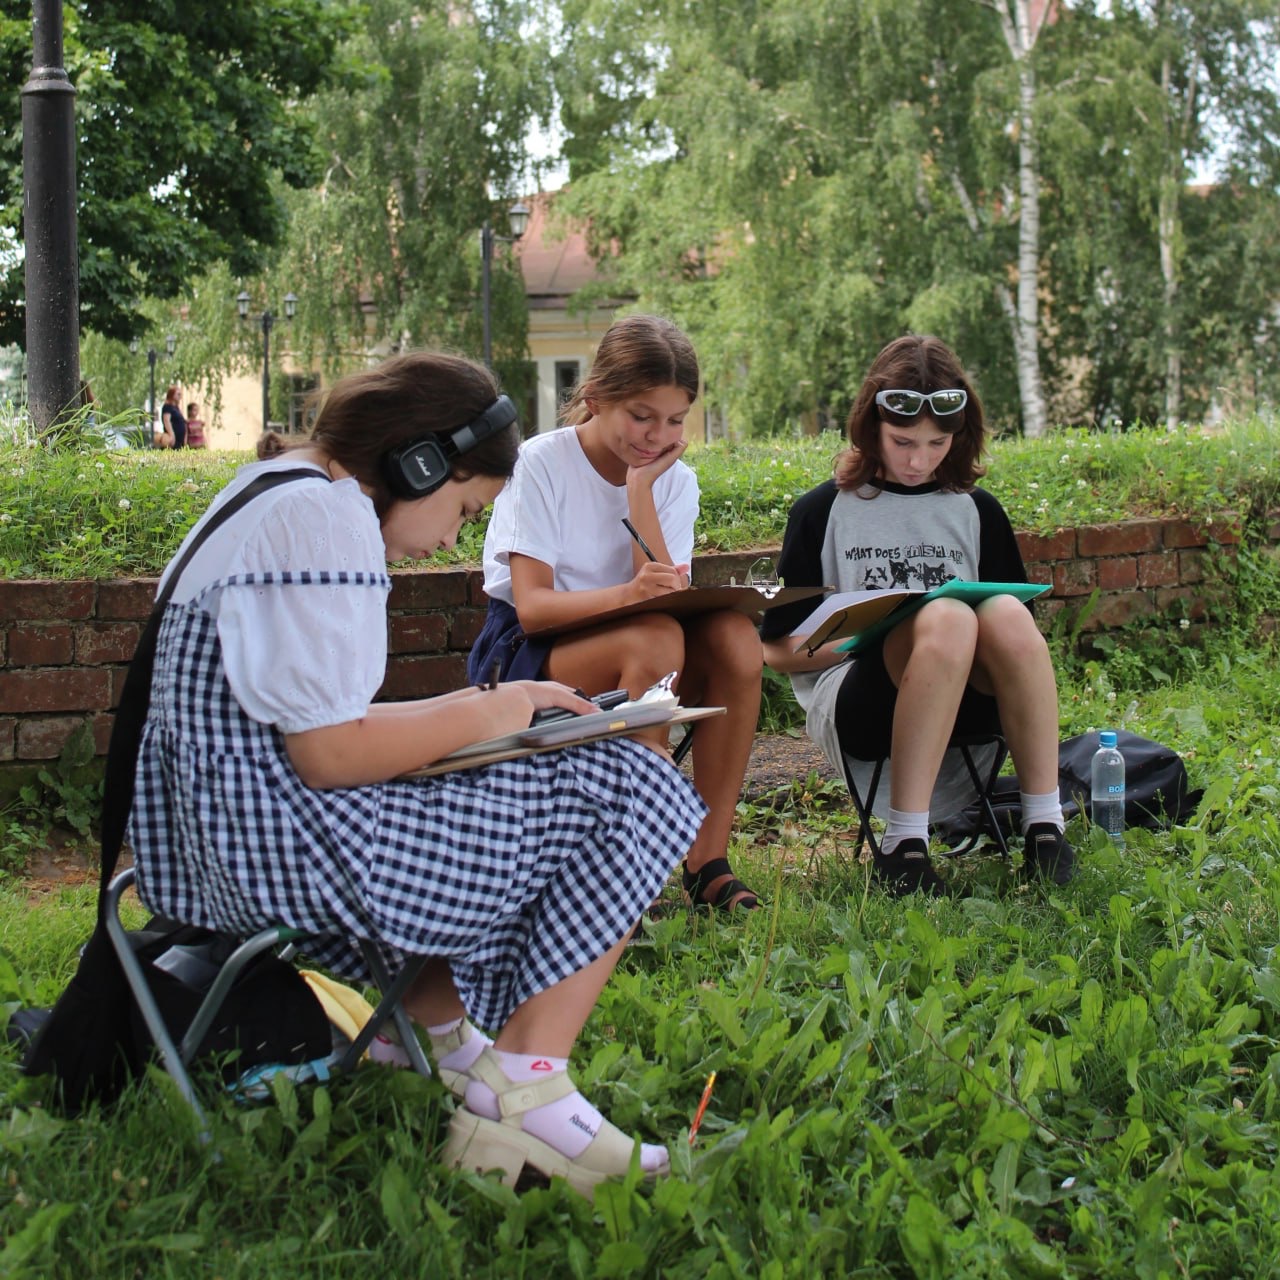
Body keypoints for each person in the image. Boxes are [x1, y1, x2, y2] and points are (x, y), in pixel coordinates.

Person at [127, 352, 707, 1194]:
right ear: (420, 464)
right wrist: (490, 715)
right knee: (633, 780)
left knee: (481, 773)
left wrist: (502, 700)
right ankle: (527, 1089)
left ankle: (440, 1038)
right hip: (287, 854)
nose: (454, 538)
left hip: (220, 841)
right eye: (465, 509)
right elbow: (330, 755)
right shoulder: (326, 527)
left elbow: (311, 725)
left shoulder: (275, 493)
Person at [467, 315, 764, 912]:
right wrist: (630, 596)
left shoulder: (672, 480)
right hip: (530, 650)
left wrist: (639, 490)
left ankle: (707, 860)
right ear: (597, 397)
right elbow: (534, 608)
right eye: (641, 415)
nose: (658, 436)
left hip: (641, 639)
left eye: (676, 420)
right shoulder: (541, 463)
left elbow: (659, 595)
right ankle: (627, 865)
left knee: (734, 637)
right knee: (652, 639)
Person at [759, 334, 1074, 895]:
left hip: (968, 706)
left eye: (937, 444)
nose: (918, 461)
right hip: (861, 704)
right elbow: (777, 652)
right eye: (902, 441)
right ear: (870, 427)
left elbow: (1014, 640)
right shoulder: (823, 511)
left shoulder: (977, 511)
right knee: (948, 617)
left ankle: (1045, 827)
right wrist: (876, 635)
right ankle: (904, 846)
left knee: (1004, 612)